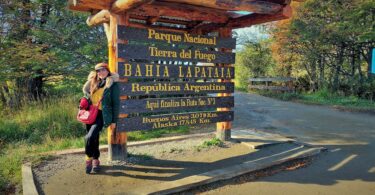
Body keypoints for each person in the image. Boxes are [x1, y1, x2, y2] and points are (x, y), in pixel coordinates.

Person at [82, 62, 120, 174]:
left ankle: (88, 158)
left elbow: (116, 104)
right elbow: (87, 94)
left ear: (108, 71)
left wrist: (114, 121)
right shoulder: (93, 82)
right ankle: (96, 160)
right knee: (94, 138)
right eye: (98, 71)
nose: (101, 72)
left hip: (102, 114)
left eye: (103, 70)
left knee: (89, 137)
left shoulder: (112, 84)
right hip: (90, 113)